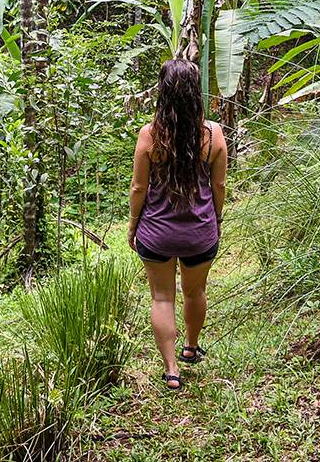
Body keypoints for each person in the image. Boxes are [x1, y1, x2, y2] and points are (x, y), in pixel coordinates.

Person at [127, 58, 227, 391]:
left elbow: (139, 188)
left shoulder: (150, 135)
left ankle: (171, 370)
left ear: (164, 94)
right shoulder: (213, 135)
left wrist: (132, 226)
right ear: (195, 94)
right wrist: (216, 220)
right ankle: (191, 347)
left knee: (162, 298)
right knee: (195, 291)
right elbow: (219, 188)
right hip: (200, 233)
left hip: (156, 234)